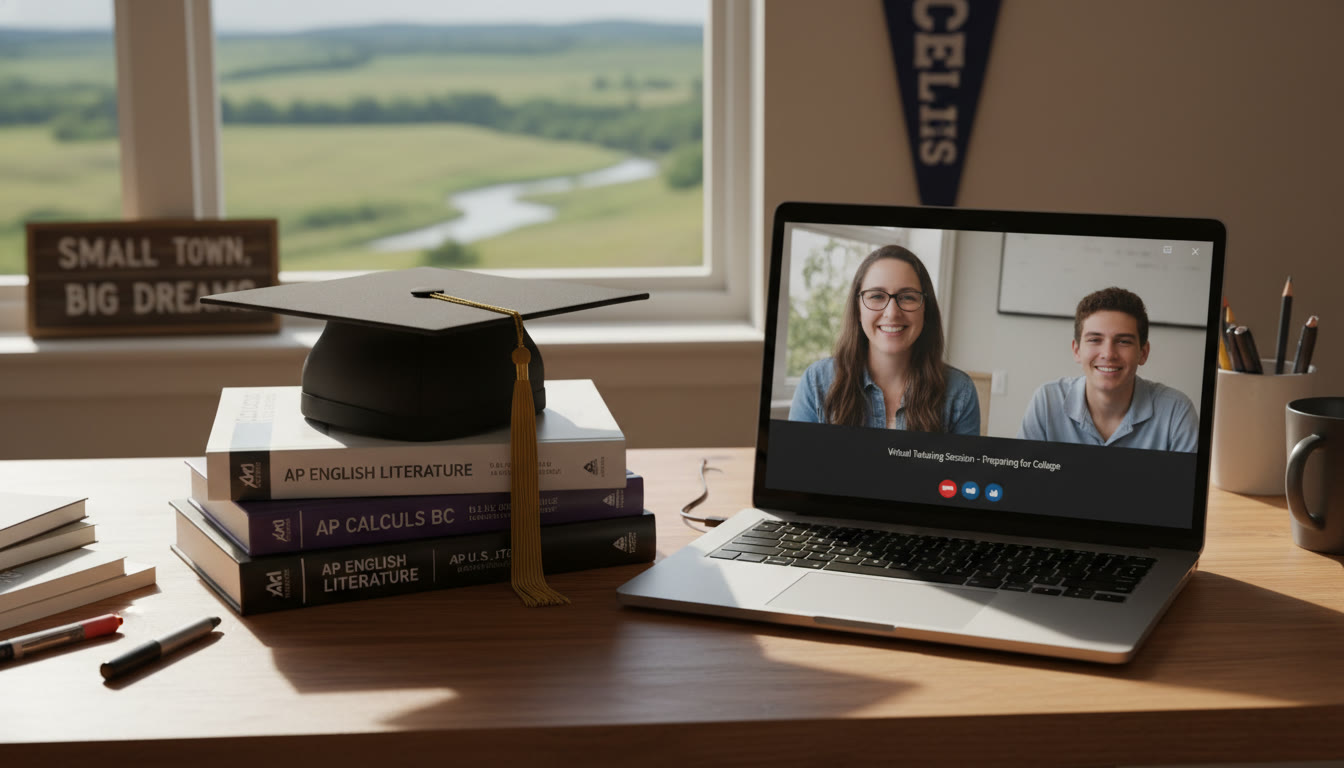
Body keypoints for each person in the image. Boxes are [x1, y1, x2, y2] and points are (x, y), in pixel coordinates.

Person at [789, 245, 980, 435]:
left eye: (907, 297)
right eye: (877, 296)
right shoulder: (816, 383)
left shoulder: (959, 392)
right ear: (858, 309)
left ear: (925, 309)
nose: (892, 313)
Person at [1017, 286, 1198, 452]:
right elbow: (1023, 481)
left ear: (1143, 353)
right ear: (1077, 350)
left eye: (1123, 341)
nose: (1108, 354)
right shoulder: (1047, 402)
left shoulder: (1176, 411)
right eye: (1095, 339)